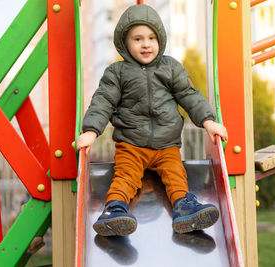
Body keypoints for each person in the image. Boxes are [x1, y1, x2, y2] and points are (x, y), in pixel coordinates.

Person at [76, 4, 228, 236]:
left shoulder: (170, 67)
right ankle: (114, 211)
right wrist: (91, 132)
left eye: (151, 37)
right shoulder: (117, 72)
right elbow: (103, 101)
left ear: (160, 39)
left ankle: (185, 209)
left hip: (166, 146)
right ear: (125, 44)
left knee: (176, 175)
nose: (146, 44)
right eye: (137, 39)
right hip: (131, 144)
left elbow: (189, 95)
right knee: (125, 177)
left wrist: (208, 121)